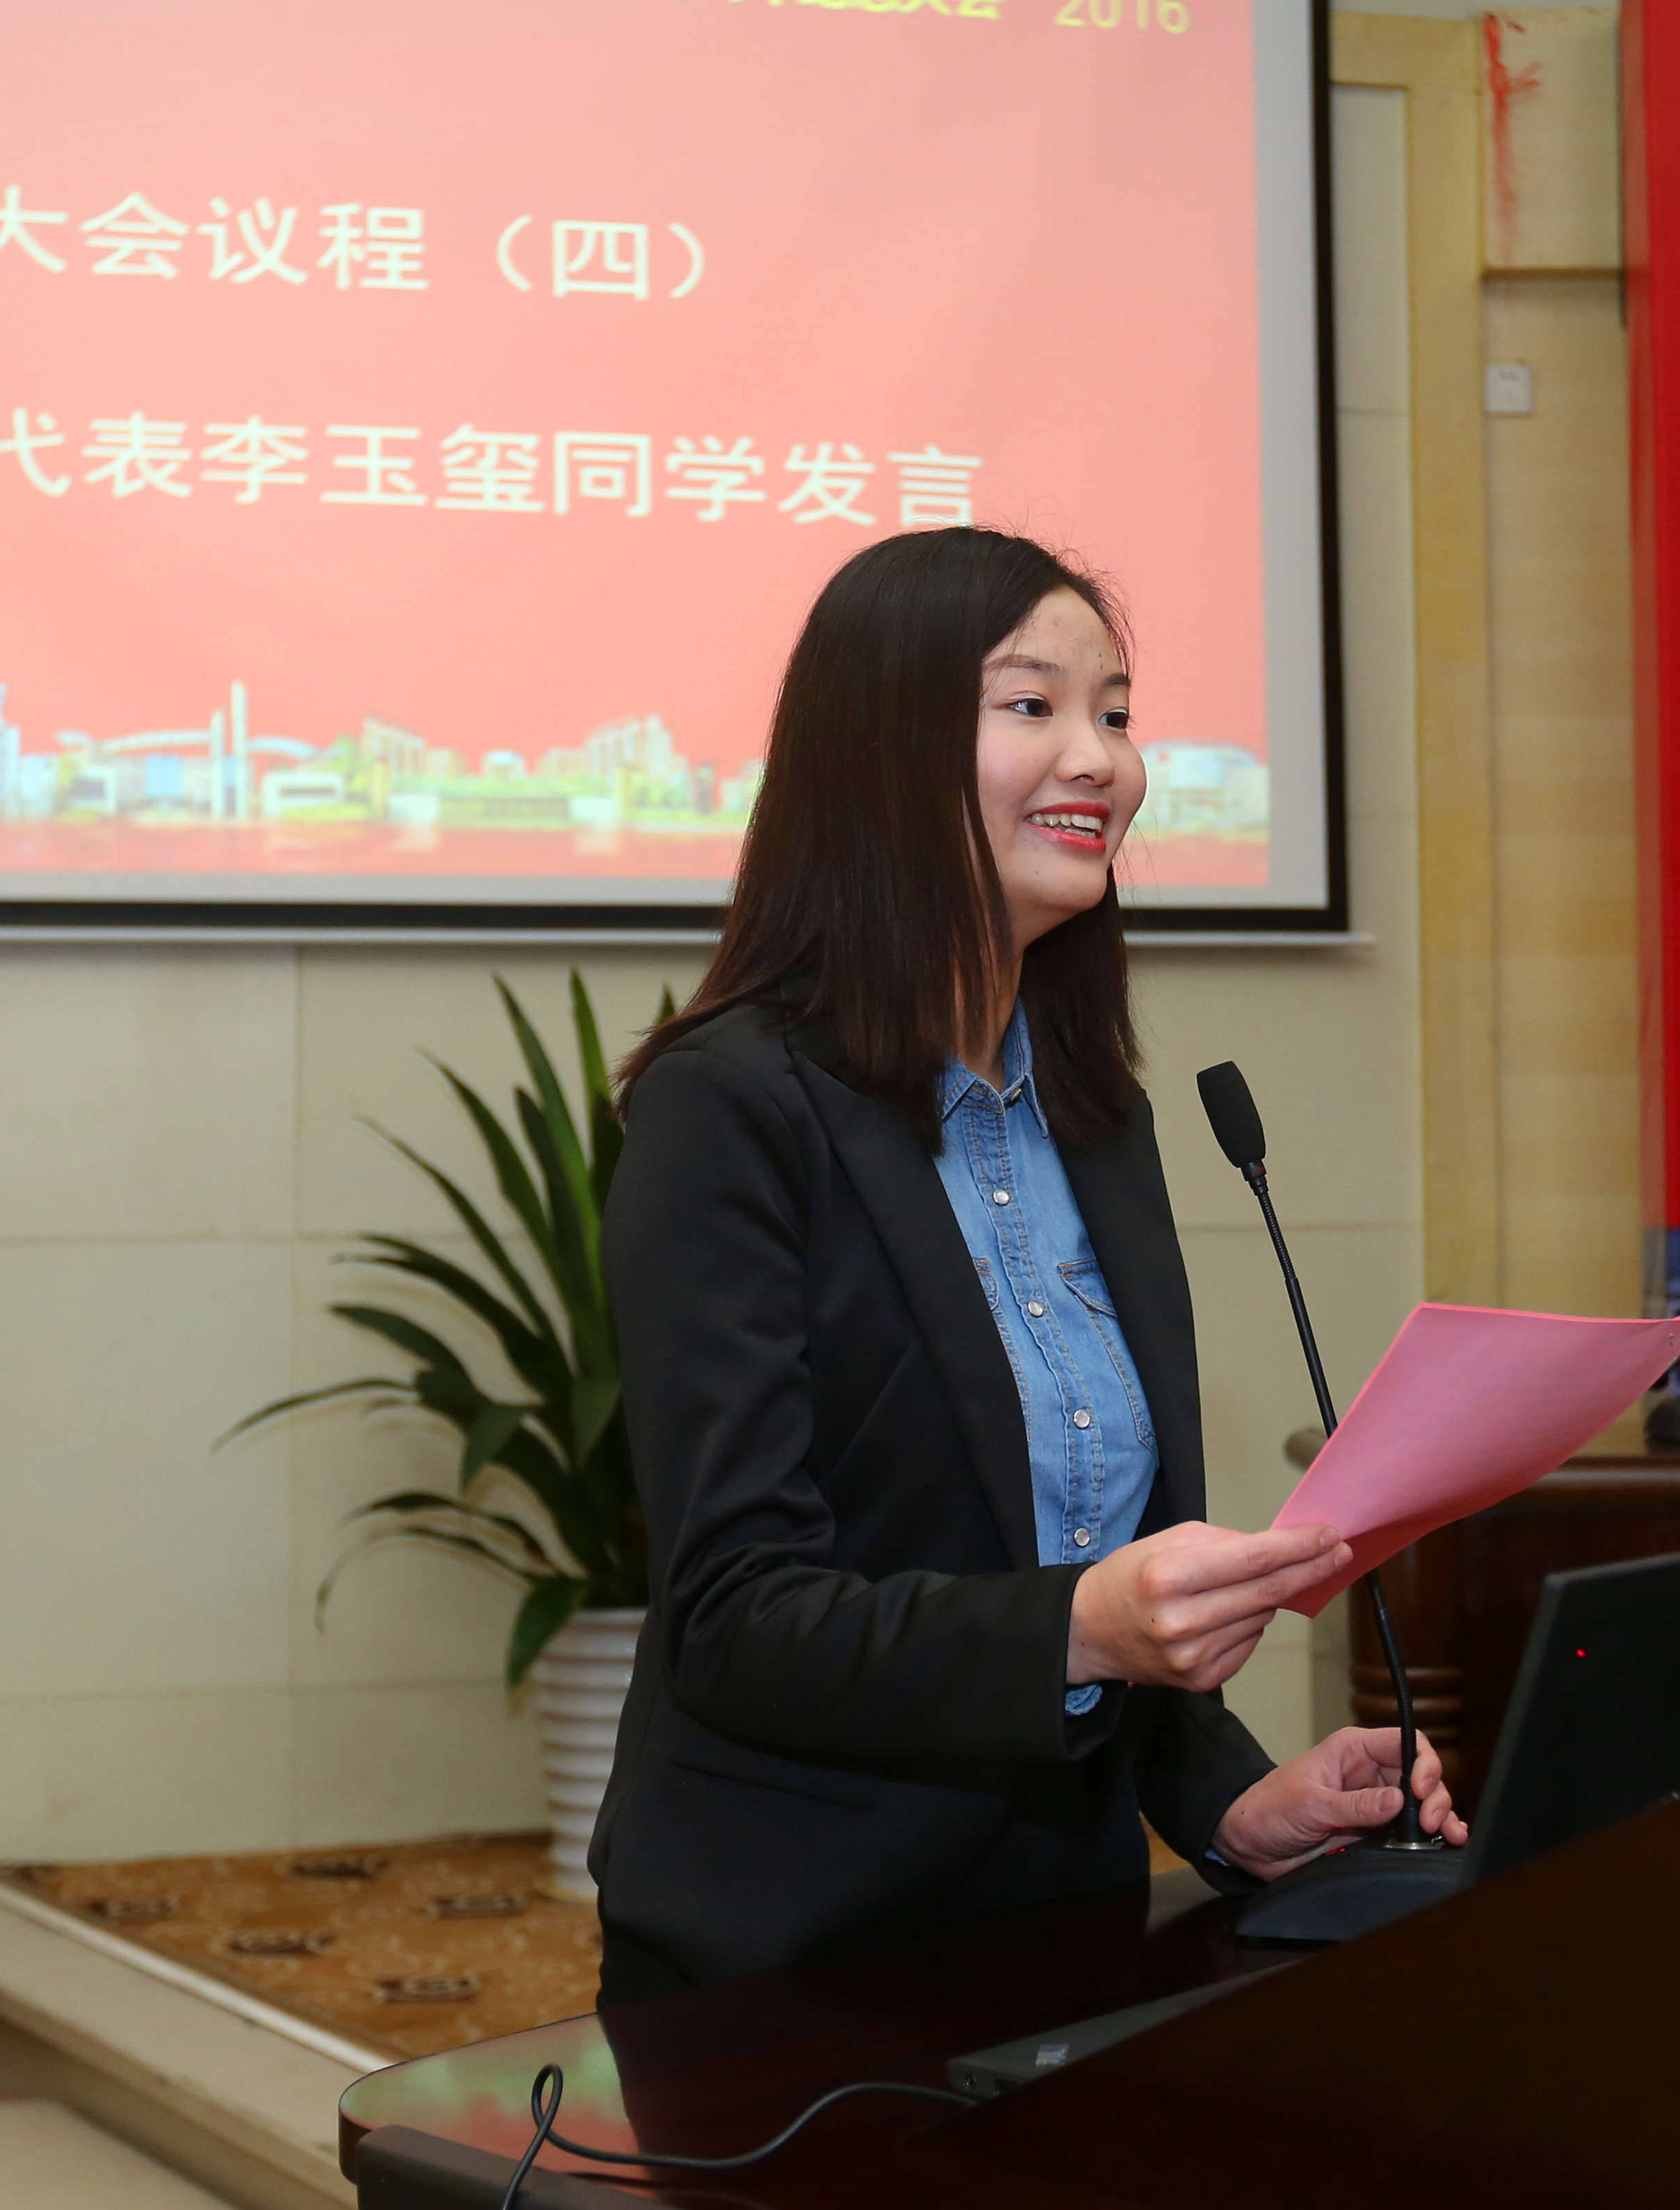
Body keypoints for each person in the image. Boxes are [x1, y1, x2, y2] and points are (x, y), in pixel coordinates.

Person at [590, 527, 1463, 2006]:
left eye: (1115, 712)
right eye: (1033, 705)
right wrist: (1085, 1623)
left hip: (1062, 1931)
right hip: (784, 1962)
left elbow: (1087, 1577)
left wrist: (1235, 1803)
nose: (1099, 759)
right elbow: (739, 1616)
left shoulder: (1097, 1120)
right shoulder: (728, 1107)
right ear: (883, 750)